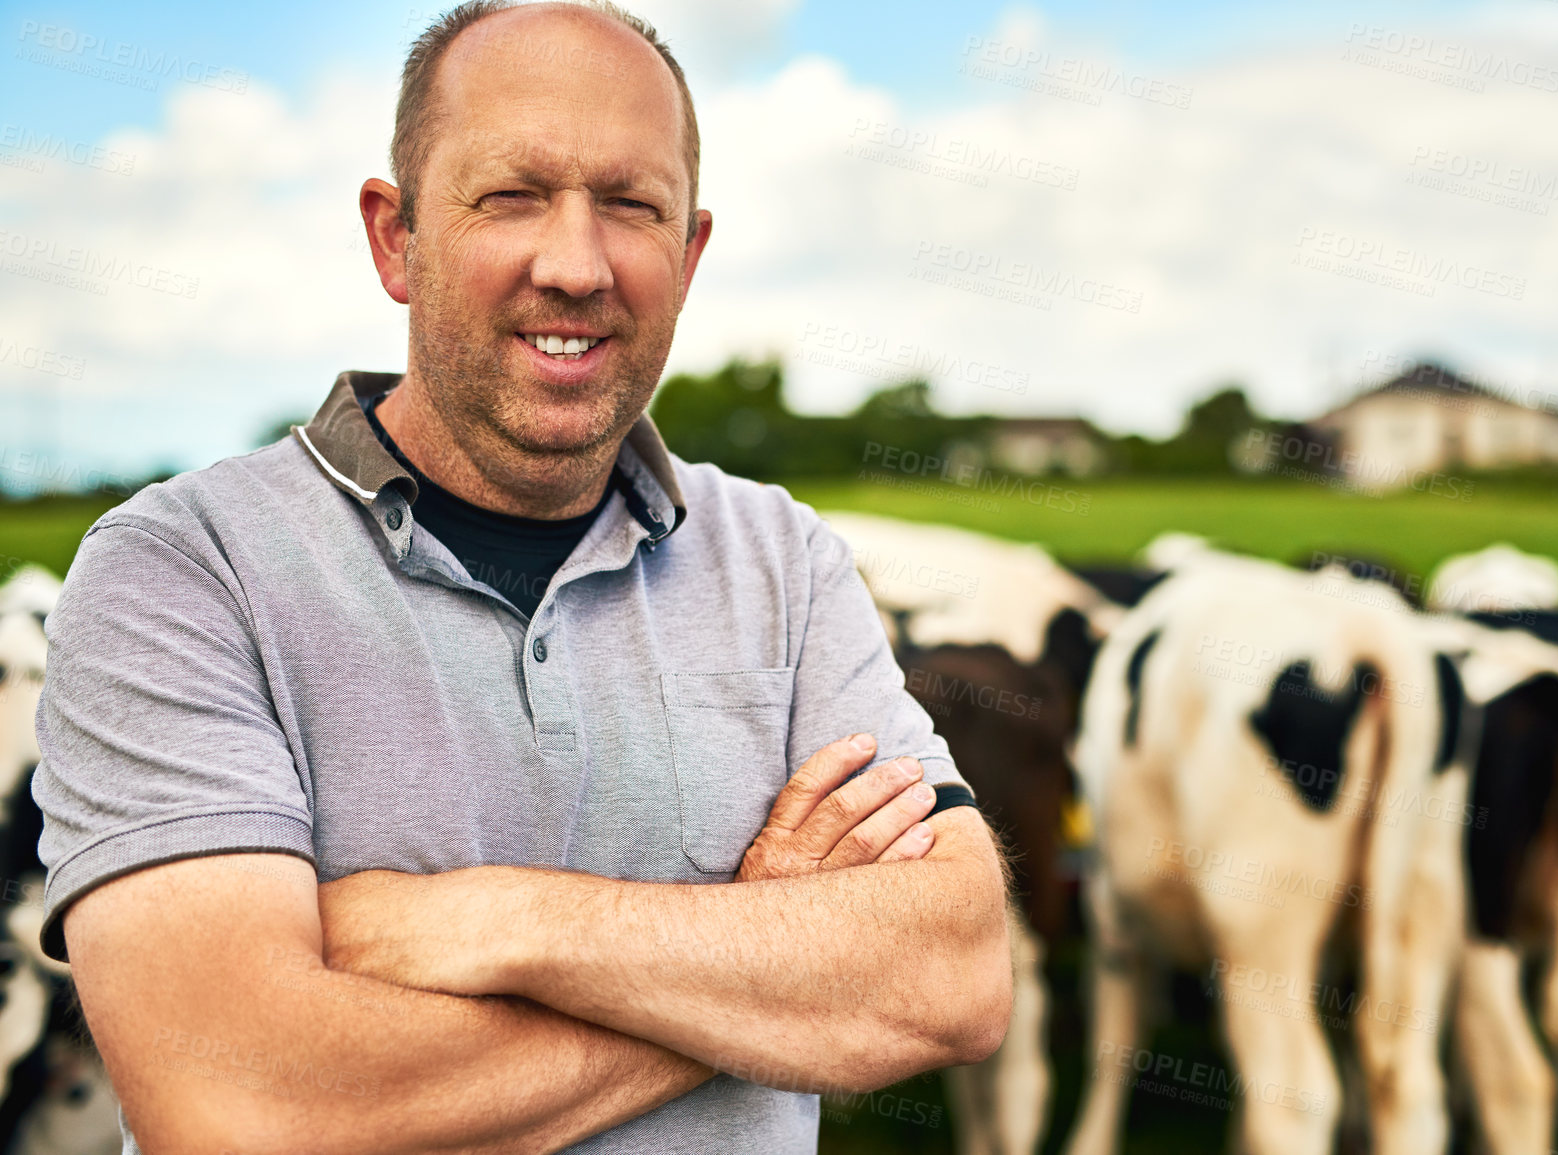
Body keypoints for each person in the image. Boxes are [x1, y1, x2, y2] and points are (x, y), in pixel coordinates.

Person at [31, 2, 1012, 1151]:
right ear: (397, 239)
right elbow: (243, 1110)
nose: (576, 265)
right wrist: (766, 954)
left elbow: (953, 974)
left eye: (631, 205)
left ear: (688, 257)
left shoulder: (782, 560)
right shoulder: (184, 574)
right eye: (511, 196)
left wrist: (497, 921)